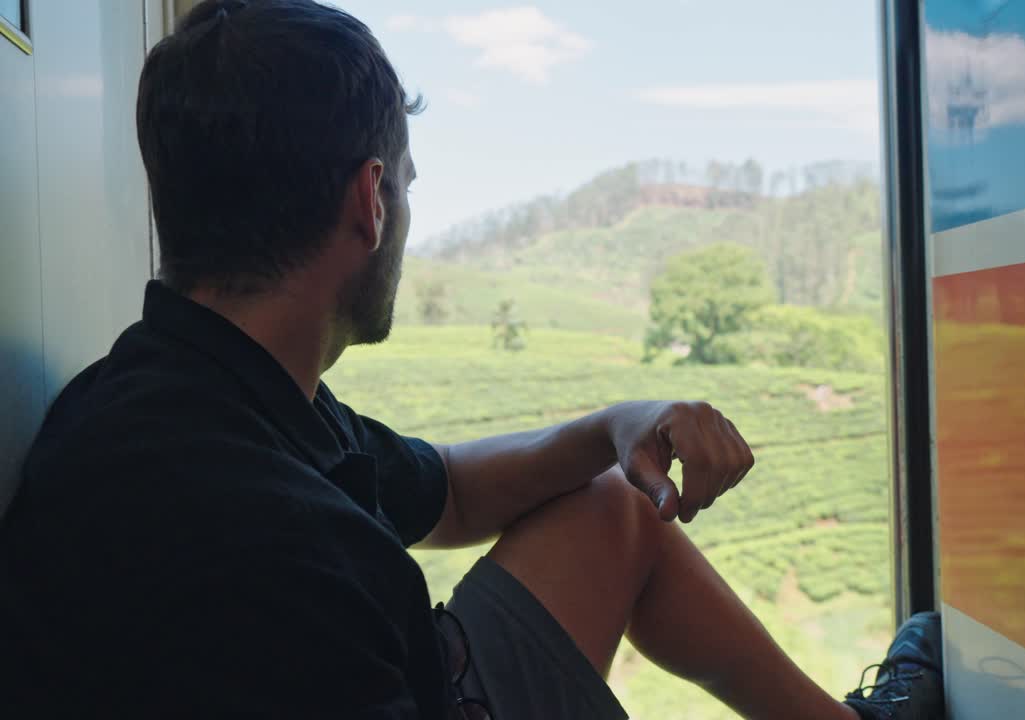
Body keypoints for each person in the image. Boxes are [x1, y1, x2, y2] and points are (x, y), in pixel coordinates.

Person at [0, 1, 943, 718]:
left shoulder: (190, 395)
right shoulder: (288, 554)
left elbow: (444, 490)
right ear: (369, 201)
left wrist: (617, 426)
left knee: (614, 500)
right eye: (406, 185)